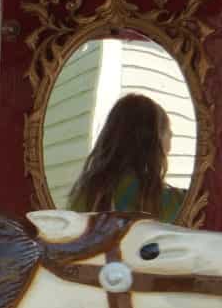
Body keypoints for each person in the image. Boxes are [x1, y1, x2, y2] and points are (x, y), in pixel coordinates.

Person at [68, 93, 186, 222]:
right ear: (153, 143)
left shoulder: (84, 197)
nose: (169, 148)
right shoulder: (175, 203)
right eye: (169, 135)